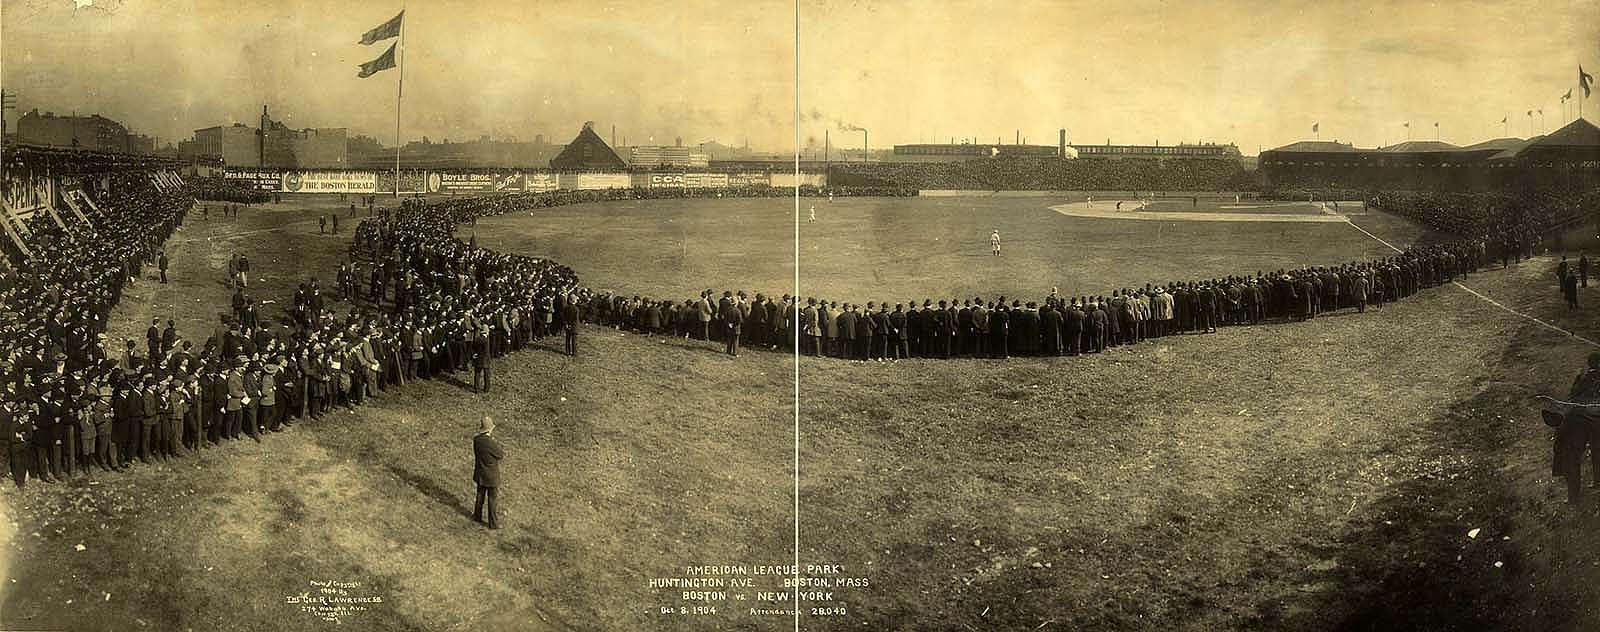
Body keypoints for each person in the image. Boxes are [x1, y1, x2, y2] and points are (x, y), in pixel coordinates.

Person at [1555, 353, 1600, 505]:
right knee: (1597, 451)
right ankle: (1597, 482)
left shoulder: (1584, 378)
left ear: (1589, 364)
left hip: (1581, 420)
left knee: (1572, 455)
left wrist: (1577, 379)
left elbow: (1573, 395)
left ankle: (1574, 497)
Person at [472, 415, 504, 529]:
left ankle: (477, 516)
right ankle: (493, 524)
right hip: (491, 475)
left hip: (480, 472)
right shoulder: (490, 442)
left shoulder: (476, 440)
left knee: (480, 495)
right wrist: (494, 441)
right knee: (492, 499)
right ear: (490, 429)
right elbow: (500, 455)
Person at [472, 325, 493, 393]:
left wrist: (475, 354)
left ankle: (476, 389)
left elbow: (474, 348)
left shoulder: (477, 339)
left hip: (478, 359)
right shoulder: (486, 339)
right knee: (486, 375)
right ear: (486, 332)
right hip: (485, 359)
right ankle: (486, 389)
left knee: (477, 374)